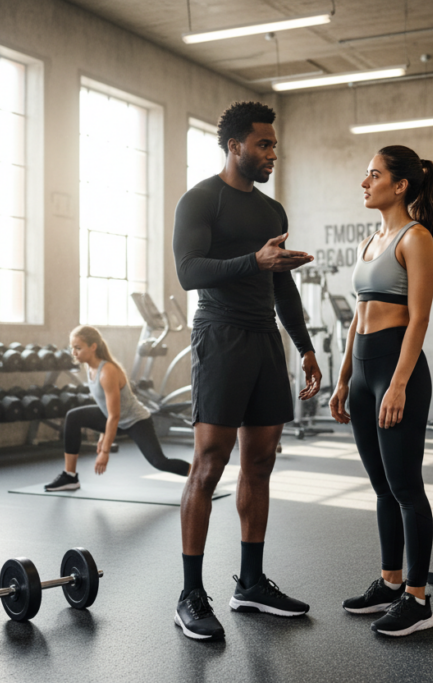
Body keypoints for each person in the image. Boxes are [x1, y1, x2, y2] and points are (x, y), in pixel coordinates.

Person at [171, 101, 321, 641]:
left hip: (265, 341)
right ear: (234, 146)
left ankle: (250, 583)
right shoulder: (200, 200)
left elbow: (281, 284)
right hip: (219, 336)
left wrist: (303, 346)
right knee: (209, 464)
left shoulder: (273, 212)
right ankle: (190, 593)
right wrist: (251, 262)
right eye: (263, 144)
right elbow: (189, 272)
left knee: (260, 462)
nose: (272, 154)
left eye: (274, 145)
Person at [329, 145, 433, 637]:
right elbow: (358, 315)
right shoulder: (370, 241)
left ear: (399, 185)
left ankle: (418, 598)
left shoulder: (416, 239)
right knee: (381, 487)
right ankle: (390, 582)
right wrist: (343, 377)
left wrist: (397, 383)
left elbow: (418, 318)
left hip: (400, 371)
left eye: (373, 175)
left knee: (405, 487)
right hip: (363, 373)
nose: (364, 182)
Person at [43, 325, 190, 491]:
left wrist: (105, 451)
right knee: (73, 416)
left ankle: (199, 475)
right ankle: (70, 476)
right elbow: (104, 407)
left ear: (93, 347)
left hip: (136, 421)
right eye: (72, 348)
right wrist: (102, 435)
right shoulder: (89, 366)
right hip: (114, 417)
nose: (73, 353)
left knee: (159, 462)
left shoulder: (107, 371)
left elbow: (114, 415)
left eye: (78, 348)